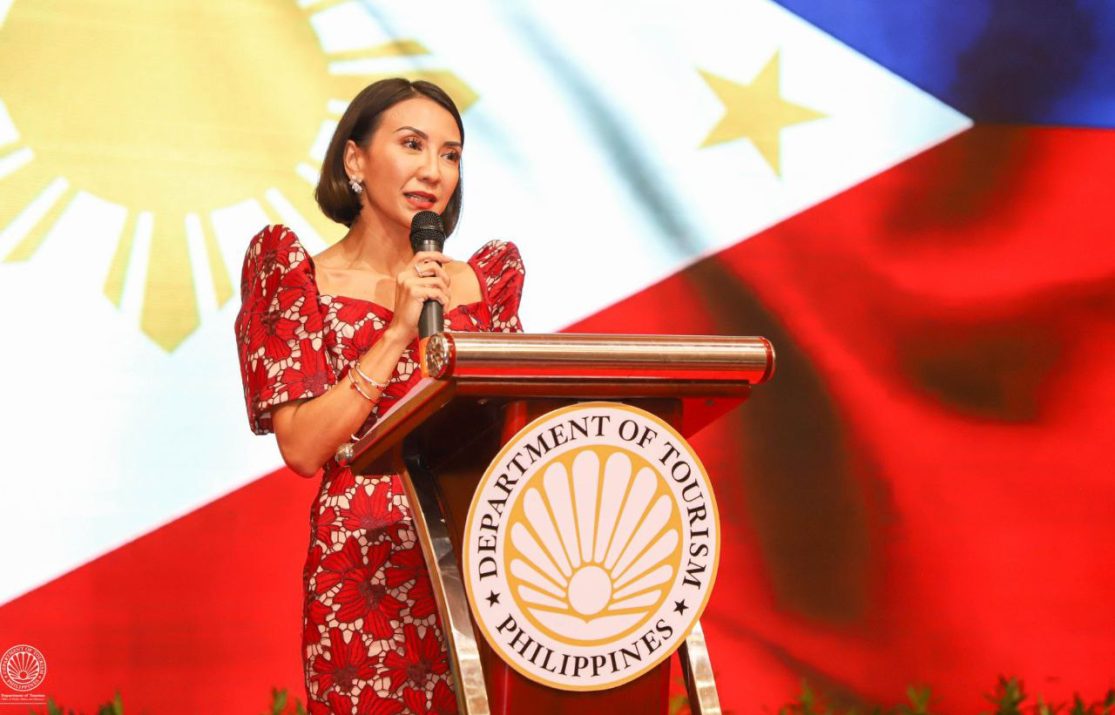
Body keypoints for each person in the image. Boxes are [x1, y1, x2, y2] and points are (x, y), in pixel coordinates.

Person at [234, 78, 524, 714]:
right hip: (366, 569)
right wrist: (397, 332)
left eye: (451, 154)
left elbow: (514, 430)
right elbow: (303, 447)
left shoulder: (483, 282)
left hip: (483, 561)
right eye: (412, 144)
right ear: (355, 159)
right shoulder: (299, 276)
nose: (434, 171)